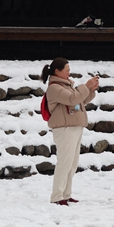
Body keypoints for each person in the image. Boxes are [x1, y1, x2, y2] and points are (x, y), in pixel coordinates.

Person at [41, 58, 98, 205]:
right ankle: (57, 196)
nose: (69, 72)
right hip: (65, 129)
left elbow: (79, 101)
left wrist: (91, 90)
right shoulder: (54, 88)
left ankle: (66, 194)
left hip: (74, 127)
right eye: (67, 70)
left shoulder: (67, 86)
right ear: (57, 71)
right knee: (64, 163)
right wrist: (86, 86)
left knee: (72, 163)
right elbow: (73, 99)